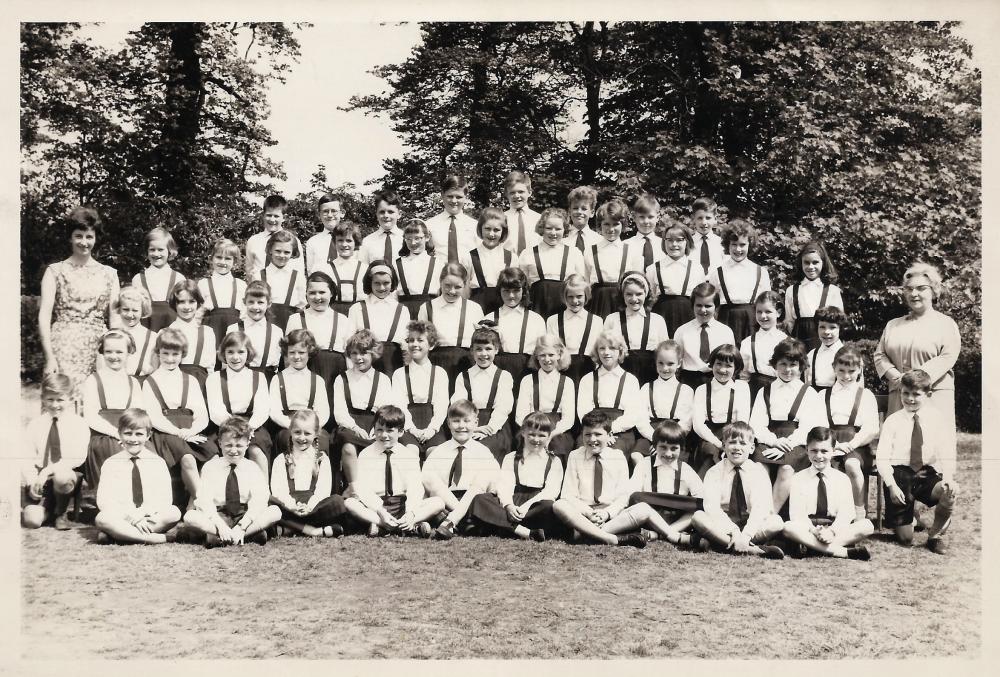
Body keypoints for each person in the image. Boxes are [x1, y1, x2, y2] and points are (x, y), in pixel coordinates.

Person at [873, 262, 961, 456]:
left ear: (934, 291)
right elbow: (880, 355)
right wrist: (896, 376)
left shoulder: (946, 324)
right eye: (909, 289)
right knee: (899, 456)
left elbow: (947, 356)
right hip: (900, 397)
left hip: (933, 396)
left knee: (932, 457)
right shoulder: (893, 325)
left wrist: (916, 379)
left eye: (921, 288)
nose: (914, 294)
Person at [552, 410, 674, 548]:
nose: (592, 439)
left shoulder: (617, 456)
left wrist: (606, 513)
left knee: (643, 509)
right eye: (587, 434)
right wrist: (589, 513)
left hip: (610, 517)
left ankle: (584, 534)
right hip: (583, 515)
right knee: (559, 505)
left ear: (609, 435)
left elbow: (623, 496)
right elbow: (568, 494)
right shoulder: (575, 456)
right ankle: (611, 538)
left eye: (598, 434)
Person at [39, 206, 121, 403]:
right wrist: (50, 357)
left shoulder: (109, 274)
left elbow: (115, 318)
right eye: (78, 236)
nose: (84, 242)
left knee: (96, 402)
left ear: (95, 238)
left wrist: (117, 351)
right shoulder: (54, 272)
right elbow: (44, 316)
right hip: (64, 347)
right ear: (70, 237)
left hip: (99, 349)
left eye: (89, 236)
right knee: (62, 401)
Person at [876, 369, 958, 555]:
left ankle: (935, 536)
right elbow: (882, 456)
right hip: (900, 475)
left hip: (925, 473)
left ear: (928, 395)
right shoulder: (893, 421)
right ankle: (908, 517)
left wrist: (948, 477)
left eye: (916, 394)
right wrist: (891, 486)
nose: (910, 399)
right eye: (906, 393)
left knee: (951, 491)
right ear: (900, 392)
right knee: (905, 539)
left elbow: (946, 450)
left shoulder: (936, 418)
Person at [343, 405, 444, 537]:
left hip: (402, 504)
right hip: (376, 506)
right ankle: (391, 525)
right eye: (379, 430)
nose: (383, 435)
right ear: (374, 430)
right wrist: (380, 511)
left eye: (390, 430)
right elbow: (363, 489)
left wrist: (410, 513)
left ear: (401, 432)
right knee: (350, 503)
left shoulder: (408, 455)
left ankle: (401, 524)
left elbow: (415, 488)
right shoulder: (366, 454)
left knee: (438, 502)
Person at [690, 421, 785, 559]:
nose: (737, 448)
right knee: (698, 517)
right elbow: (712, 508)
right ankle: (754, 550)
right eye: (732, 442)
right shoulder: (714, 472)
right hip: (724, 525)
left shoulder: (758, 472)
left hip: (750, 525)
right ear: (724, 445)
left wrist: (746, 535)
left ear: (752, 448)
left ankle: (725, 544)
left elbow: (760, 509)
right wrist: (733, 531)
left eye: (743, 443)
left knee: (776, 522)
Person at [183, 416, 282, 547]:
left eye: (239, 445)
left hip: (244, 515)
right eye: (228, 445)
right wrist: (220, 525)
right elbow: (204, 500)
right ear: (220, 444)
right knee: (190, 517)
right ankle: (234, 534)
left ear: (247, 444)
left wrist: (242, 526)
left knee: (275, 511)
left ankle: (232, 536)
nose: (233, 450)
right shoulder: (211, 467)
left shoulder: (252, 467)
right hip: (219, 515)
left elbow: (259, 500)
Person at [749, 337, 821, 513]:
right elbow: (756, 424)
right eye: (783, 364)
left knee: (786, 468)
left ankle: (770, 515)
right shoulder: (765, 391)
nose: (788, 370)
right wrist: (773, 442)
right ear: (775, 365)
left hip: (796, 442)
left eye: (793, 365)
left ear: (801, 366)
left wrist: (786, 445)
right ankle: (759, 512)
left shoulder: (808, 392)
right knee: (759, 467)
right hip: (769, 439)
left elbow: (808, 427)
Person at [468, 412, 564, 541]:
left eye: (541, 435)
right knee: (480, 499)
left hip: (535, 506)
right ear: (523, 432)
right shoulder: (511, 457)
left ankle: (500, 525)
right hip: (514, 500)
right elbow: (505, 485)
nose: (536, 439)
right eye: (531, 434)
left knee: (549, 506)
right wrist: (509, 506)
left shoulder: (554, 461)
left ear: (548, 437)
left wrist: (525, 508)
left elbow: (550, 492)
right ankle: (524, 532)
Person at [142, 328, 213, 502]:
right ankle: (202, 503)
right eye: (165, 353)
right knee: (188, 458)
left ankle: (191, 504)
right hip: (165, 433)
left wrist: (192, 431)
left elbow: (202, 414)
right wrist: (179, 433)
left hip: (190, 431)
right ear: (158, 353)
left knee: (213, 455)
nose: (170, 359)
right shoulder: (150, 382)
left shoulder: (191, 380)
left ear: (183, 354)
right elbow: (154, 417)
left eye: (175, 354)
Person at [782, 426, 874, 560]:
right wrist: (814, 531)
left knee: (867, 525)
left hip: (834, 529)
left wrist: (831, 531)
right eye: (814, 451)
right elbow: (797, 515)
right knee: (788, 527)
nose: (819, 456)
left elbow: (846, 514)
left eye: (824, 451)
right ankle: (841, 552)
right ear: (807, 450)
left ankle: (813, 548)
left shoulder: (842, 479)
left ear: (833, 451)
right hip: (808, 529)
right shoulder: (798, 478)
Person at [94, 409, 182, 545]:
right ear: (119, 434)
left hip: (149, 517)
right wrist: (130, 517)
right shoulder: (111, 463)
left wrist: (141, 514)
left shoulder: (157, 462)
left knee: (174, 512)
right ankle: (150, 538)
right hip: (122, 516)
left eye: (139, 434)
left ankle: (119, 534)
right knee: (102, 518)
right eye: (128, 433)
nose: (133, 439)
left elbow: (165, 499)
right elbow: (104, 501)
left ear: (148, 435)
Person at [422, 400, 501, 540]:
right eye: (456, 421)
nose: (461, 426)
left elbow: (494, 483)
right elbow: (428, 485)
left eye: (466, 421)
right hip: (446, 499)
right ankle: (463, 521)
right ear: (448, 423)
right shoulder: (439, 452)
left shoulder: (483, 452)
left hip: (473, 500)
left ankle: (450, 521)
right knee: (430, 479)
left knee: (484, 476)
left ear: (476, 423)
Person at [21, 374, 89, 530]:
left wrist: (48, 470)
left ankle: (61, 513)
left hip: (66, 474)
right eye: (50, 399)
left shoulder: (79, 424)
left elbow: (77, 457)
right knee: (32, 521)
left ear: (71, 399)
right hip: (40, 477)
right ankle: (48, 510)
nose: (55, 405)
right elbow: (26, 456)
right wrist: (32, 481)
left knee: (62, 476)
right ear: (43, 399)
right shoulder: (35, 424)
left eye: (60, 400)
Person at [332, 329, 399, 486]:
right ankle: (353, 487)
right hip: (349, 424)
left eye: (364, 353)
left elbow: (385, 410)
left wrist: (376, 430)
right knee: (348, 446)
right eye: (354, 353)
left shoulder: (382, 379)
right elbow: (340, 412)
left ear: (373, 354)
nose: (358, 358)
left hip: (375, 424)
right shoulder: (341, 379)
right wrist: (355, 428)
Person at [822, 344, 880, 520]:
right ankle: (831, 511)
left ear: (859, 370)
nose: (846, 376)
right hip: (829, 442)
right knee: (825, 465)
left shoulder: (866, 395)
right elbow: (819, 424)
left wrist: (851, 445)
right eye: (841, 370)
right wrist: (833, 446)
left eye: (851, 371)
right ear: (834, 368)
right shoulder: (824, 395)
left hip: (858, 444)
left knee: (851, 465)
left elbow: (872, 429)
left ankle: (859, 511)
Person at [269, 410, 348, 538]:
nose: (302, 438)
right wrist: (293, 507)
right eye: (297, 432)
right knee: (270, 502)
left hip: (315, 508)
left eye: (307, 433)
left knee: (338, 502)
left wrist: (310, 507)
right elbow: (279, 491)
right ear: (290, 431)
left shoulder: (322, 459)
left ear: (316, 434)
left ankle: (290, 529)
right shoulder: (281, 459)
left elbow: (323, 491)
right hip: (289, 508)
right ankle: (312, 531)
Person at [83, 330, 146, 487]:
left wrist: (132, 435)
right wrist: (117, 434)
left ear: (129, 352)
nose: (114, 356)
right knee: (118, 458)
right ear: (102, 353)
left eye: (119, 352)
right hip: (103, 436)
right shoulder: (94, 380)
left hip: (130, 435)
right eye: (108, 352)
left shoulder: (133, 382)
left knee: (149, 457)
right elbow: (91, 417)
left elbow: (139, 416)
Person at [205, 331, 272, 478]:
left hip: (252, 425)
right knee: (214, 453)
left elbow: (262, 408)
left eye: (241, 352)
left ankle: (263, 492)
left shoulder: (258, 377)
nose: (235, 357)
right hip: (223, 425)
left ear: (248, 353)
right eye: (230, 352)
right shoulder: (215, 378)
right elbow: (216, 410)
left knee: (256, 451)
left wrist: (249, 428)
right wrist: (233, 428)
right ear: (223, 354)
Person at [628, 419, 704, 545]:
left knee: (698, 508)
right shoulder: (644, 464)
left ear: (682, 449)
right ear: (654, 446)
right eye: (663, 447)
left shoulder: (685, 469)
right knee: (636, 498)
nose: (668, 454)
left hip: (677, 520)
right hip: (650, 517)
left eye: (674, 449)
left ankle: (660, 534)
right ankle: (670, 534)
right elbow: (630, 491)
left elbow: (702, 496)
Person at [284, 271, 353, 407]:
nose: (317, 297)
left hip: (335, 373)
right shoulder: (296, 319)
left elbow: (349, 356)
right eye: (312, 293)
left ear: (331, 293)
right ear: (306, 294)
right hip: (306, 371)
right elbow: (288, 355)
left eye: (322, 292)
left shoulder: (342, 320)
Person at [451, 325, 515, 463]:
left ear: (496, 350)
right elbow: (458, 406)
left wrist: (489, 428)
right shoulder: (464, 376)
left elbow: (503, 408)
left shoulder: (504, 376)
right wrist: (472, 428)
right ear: (472, 351)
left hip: (495, 427)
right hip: (468, 424)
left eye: (488, 349)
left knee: (483, 450)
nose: (483, 354)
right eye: (478, 349)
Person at [576, 330, 642, 457]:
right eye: (602, 348)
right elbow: (583, 411)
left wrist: (609, 430)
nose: (606, 352)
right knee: (581, 451)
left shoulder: (630, 380)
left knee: (612, 454)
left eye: (612, 348)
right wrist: (599, 432)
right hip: (592, 429)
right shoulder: (588, 379)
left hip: (620, 432)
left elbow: (633, 415)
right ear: (597, 351)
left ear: (620, 351)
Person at [420, 262, 484, 389]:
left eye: (458, 287)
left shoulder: (474, 309)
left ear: (465, 285)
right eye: (447, 286)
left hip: (465, 363)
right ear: (440, 282)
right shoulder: (427, 308)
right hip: (436, 363)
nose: (452, 291)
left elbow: (481, 340)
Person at [691, 344, 752, 477]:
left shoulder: (742, 388)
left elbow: (742, 421)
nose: (722, 369)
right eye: (718, 364)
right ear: (712, 365)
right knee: (711, 456)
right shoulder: (702, 390)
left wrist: (729, 443)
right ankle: (701, 493)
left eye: (729, 366)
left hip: (734, 434)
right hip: (709, 437)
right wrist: (719, 444)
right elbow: (698, 424)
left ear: (736, 368)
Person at [268, 329, 331, 456]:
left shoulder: (317, 380)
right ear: (286, 353)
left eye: (301, 352)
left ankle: (318, 473)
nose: (296, 357)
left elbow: (324, 412)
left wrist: (311, 428)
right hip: (287, 426)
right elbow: (274, 411)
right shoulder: (278, 379)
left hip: (311, 425)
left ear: (310, 353)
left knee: (322, 440)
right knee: (286, 439)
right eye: (292, 352)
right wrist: (293, 426)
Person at [708, 219, 772, 345]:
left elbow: (767, 303)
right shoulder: (717, 272)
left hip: (752, 320)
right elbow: (713, 304)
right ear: (728, 245)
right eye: (734, 244)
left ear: (750, 245)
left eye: (742, 245)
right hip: (726, 319)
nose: (738, 249)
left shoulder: (760, 272)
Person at [514, 334, 577, 461]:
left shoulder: (567, 382)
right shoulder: (527, 381)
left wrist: (550, 435)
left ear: (559, 355)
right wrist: (533, 433)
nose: (546, 359)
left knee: (560, 448)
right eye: (542, 355)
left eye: (551, 355)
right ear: (536, 357)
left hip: (556, 430)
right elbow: (520, 415)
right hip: (531, 426)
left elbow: (568, 418)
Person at [393, 320, 450, 460]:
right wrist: (411, 429)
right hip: (406, 425)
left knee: (435, 454)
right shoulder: (399, 373)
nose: (415, 344)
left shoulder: (440, 373)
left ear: (431, 345)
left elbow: (442, 406)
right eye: (411, 340)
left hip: (433, 425)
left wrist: (432, 429)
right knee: (410, 453)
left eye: (420, 340)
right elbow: (399, 405)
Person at [604, 272, 668, 386]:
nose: (634, 299)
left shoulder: (657, 320)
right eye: (629, 294)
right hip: (621, 374)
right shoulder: (612, 319)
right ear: (622, 295)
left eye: (639, 294)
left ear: (646, 294)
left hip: (650, 374)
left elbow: (665, 352)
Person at [519, 207, 585, 317]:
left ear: (564, 229)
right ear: (542, 228)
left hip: (564, 307)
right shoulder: (528, 253)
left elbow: (580, 284)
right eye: (549, 228)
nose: (553, 233)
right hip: (537, 307)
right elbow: (522, 285)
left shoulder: (574, 253)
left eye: (558, 229)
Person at [633, 340, 694, 460]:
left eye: (670, 364)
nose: (665, 368)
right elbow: (641, 420)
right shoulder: (646, 388)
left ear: (679, 363)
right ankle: (647, 478)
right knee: (636, 456)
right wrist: (655, 439)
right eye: (660, 363)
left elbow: (686, 423)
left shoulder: (686, 390)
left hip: (675, 435)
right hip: (651, 434)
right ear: (655, 363)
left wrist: (666, 441)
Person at [349, 261, 409, 376]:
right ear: (369, 283)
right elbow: (349, 343)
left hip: (393, 365)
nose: (382, 287)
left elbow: (405, 345)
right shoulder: (357, 309)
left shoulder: (402, 310)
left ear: (392, 283)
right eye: (377, 283)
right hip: (365, 365)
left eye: (386, 283)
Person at [673, 281, 735, 391]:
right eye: (699, 305)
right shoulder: (682, 331)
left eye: (708, 306)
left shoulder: (726, 332)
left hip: (717, 379)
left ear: (716, 307)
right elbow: (676, 361)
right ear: (692, 306)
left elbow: (731, 361)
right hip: (688, 380)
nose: (703, 310)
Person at [783, 240, 843, 352]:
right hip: (799, 341)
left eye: (815, 262)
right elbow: (789, 322)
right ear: (801, 263)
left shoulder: (832, 291)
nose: (811, 267)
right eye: (806, 262)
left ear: (823, 263)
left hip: (824, 341)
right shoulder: (792, 290)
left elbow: (838, 322)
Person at [584, 199, 640, 318]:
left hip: (622, 301)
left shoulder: (631, 250)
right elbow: (586, 281)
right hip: (597, 301)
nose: (611, 229)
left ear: (623, 224)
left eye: (616, 224)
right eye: (606, 224)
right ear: (600, 225)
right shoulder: (591, 250)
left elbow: (637, 281)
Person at [647, 221, 704, 335]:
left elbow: (700, 297)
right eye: (669, 240)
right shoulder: (653, 268)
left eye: (679, 240)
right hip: (662, 315)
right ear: (664, 242)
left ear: (687, 242)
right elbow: (650, 297)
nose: (674, 244)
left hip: (688, 315)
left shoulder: (696, 268)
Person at [490, 267, 546, 380]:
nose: (511, 296)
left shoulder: (536, 319)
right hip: (498, 372)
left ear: (524, 291)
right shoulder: (490, 318)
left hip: (527, 371)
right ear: (499, 291)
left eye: (516, 290)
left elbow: (542, 351)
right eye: (506, 291)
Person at [163, 280, 216, 395]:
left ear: (198, 303)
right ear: (174, 304)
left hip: (201, 386)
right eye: (182, 302)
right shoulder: (165, 333)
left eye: (191, 301)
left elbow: (210, 367)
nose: (187, 307)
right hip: (174, 385)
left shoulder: (207, 332)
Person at [547, 274, 600, 384]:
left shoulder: (597, 321)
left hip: (588, 373)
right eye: (570, 297)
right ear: (564, 297)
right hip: (562, 373)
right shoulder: (553, 320)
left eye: (579, 296)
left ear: (586, 296)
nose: (575, 301)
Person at [227, 280, 283, 382]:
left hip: (267, 381)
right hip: (240, 379)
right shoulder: (233, 329)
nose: (255, 307)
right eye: (251, 302)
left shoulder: (277, 332)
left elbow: (276, 363)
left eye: (260, 302)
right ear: (244, 302)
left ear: (269, 303)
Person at [463, 206, 514, 315]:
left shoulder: (511, 257)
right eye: (487, 229)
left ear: (503, 231)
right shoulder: (469, 256)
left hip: (503, 307)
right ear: (480, 229)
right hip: (476, 306)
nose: (491, 234)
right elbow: (465, 289)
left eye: (496, 230)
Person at [133, 227, 185, 332]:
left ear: (169, 251)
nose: (156, 254)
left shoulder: (178, 279)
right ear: (147, 251)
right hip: (145, 330)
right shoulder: (138, 279)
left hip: (172, 332)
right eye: (152, 250)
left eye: (160, 249)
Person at [198, 238, 246, 349]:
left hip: (234, 332)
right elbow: (198, 314)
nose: (222, 262)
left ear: (235, 261)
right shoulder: (204, 283)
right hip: (210, 331)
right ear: (211, 259)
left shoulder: (241, 285)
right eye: (219, 257)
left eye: (228, 259)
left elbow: (244, 314)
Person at [244, 195, 305, 282]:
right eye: (269, 215)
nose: (272, 220)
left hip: (285, 290)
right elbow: (249, 271)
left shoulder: (293, 241)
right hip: (260, 290)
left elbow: (299, 272)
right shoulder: (253, 241)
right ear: (263, 215)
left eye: (276, 216)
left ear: (284, 217)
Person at [255, 228, 306, 331]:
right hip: (265, 324)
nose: (282, 255)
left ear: (293, 253)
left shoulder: (298, 277)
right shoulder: (259, 275)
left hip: (290, 325)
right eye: (278, 251)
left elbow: (302, 306)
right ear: (270, 250)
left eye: (286, 252)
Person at [739, 291, 788, 399]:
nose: (763, 316)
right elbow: (744, 375)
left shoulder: (787, 341)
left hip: (780, 391)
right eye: (759, 312)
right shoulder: (747, 343)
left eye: (768, 311)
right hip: (754, 391)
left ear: (778, 312)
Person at [395, 218, 442, 319]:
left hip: (430, 310)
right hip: (404, 311)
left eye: (417, 238)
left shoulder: (438, 263)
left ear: (427, 237)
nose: (413, 243)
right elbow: (393, 295)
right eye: (408, 238)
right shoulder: (398, 264)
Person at [315, 221, 365, 316]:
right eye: (340, 240)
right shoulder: (326, 269)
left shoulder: (364, 268)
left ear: (356, 243)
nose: (344, 244)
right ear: (334, 242)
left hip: (358, 312)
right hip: (333, 312)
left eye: (349, 241)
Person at [426, 174, 478, 264]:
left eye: (459, 197)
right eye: (450, 196)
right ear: (442, 195)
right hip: (438, 276)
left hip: (467, 276)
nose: (454, 201)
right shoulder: (429, 225)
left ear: (466, 197)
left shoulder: (475, 226)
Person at [114, 286, 156, 380]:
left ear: (143, 311)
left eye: (135, 310)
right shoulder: (112, 334)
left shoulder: (152, 337)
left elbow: (155, 369)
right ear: (119, 309)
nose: (130, 315)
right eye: (125, 309)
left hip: (142, 384)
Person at [804, 305, 848, 392]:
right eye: (822, 327)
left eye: (832, 327)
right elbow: (807, 384)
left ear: (840, 328)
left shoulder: (849, 355)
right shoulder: (811, 355)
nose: (826, 332)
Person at [359, 188, 405, 266]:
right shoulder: (368, 241)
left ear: (399, 214)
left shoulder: (406, 239)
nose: (386, 215)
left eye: (390, 212)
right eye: (382, 212)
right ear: (376, 214)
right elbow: (363, 270)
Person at [501, 170, 541, 256]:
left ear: (529, 192)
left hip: (534, 265)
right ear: (506, 194)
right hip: (508, 265)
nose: (516, 196)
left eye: (521, 192)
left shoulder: (539, 218)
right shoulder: (501, 218)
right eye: (512, 193)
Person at [304, 192, 345, 274]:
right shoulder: (312, 242)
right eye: (325, 211)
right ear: (319, 215)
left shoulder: (350, 240)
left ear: (342, 213)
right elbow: (310, 272)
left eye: (334, 211)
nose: (330, 215)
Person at [624, 195, 665, 273]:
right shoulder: (625, 245)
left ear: (658, 217)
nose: (646, 221)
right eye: (642, 217)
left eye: (650, 217)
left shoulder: (664, 245)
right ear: (634, 217)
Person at [688, 197, 723, 277]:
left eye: (708, 218)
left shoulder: (721, 243)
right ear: (693, 219)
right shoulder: (687, 243)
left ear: (715, 219)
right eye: (700, 218)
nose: (704, 222)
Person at [564, 185, 601, 253]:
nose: (579, 212)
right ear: (569, 211)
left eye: (584, 209)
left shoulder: (599, 240)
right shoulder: (561, 238)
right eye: (575, 208)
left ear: (592, 213)